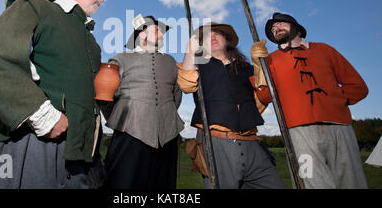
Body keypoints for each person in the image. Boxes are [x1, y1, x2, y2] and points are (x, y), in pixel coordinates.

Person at [0, 0, 129, 189]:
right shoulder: (38, 9)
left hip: (77, 154)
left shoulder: (92, 43)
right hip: (31, 144)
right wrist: (44, 117)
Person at [251, 12, 369, 189]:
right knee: (310, 181)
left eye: (281, 23)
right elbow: (265, 96)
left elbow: (358, 87)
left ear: (297, 27)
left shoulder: (324, 50)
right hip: (299, 133)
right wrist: (258, 68)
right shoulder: (270, 61)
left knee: (351, 181)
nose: (276, 28)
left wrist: (335, 101)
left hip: (340, 127)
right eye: (273, 28)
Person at [177, 22, 285, 189]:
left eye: (217, 34)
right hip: (217, 143)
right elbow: (186, 85)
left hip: (253, 144)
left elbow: (262, 100)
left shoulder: (247, 68)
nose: (212, 37)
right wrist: (189, 51)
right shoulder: (198, 66)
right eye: (206, 36)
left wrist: (260, 67)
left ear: (227, 40)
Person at [102, 14, 184, 189]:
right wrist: (120, 119)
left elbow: (176, 96)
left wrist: (164, 116)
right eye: (156, 30)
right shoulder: (121, 59)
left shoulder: (171, 62)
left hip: (167, 136)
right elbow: (105, 95)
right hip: (130, 133)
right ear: (141, 34)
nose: (161, 34)